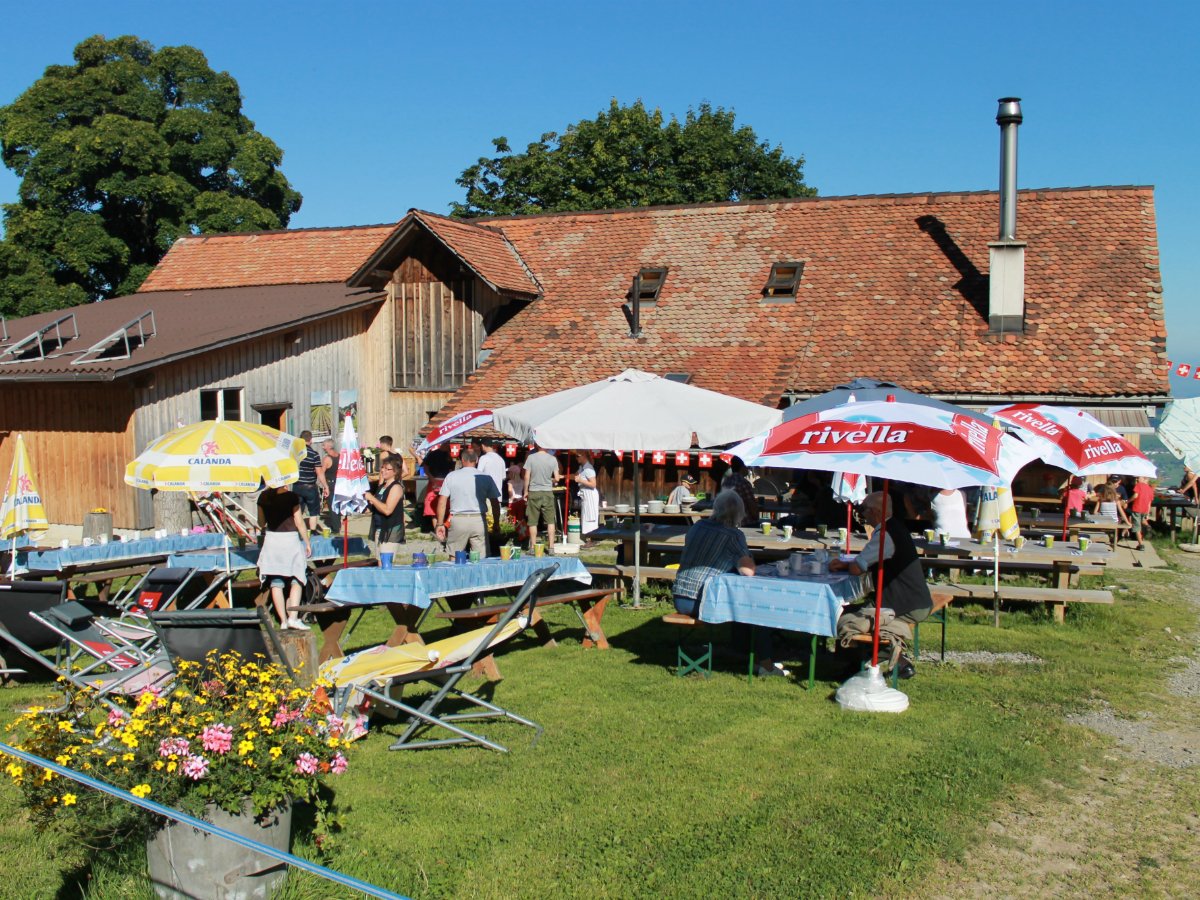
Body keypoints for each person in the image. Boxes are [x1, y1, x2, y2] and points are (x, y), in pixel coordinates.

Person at [672, 490, 787, 677]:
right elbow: (748, 572)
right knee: (758, 607)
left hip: (679, 597)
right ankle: (765, 664)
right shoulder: (734, 535)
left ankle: (746, 652)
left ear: (715, 508)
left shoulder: (697, 526)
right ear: (739, 514)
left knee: (740, 598)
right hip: (701, 601)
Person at [829, 491, 932, 679]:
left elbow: (857, 568)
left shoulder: (885, 535)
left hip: (905, 604)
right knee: (856, 611)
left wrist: (845, 565)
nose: (862, 514)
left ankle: (858, 664)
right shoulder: (895, 528)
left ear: (876, 512)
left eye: (864, 509)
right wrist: (846, 564)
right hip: (916, 599)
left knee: (846, 616)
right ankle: (881, 661)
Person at [256, 484, 311, 631]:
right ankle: (293, 617)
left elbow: (261, 523)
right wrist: (307, 542)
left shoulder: (263, 497)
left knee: (276, 581)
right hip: (290, 540)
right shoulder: (291, 497)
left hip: (272, 540)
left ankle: (283, 621)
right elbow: (299, 522)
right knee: (297, 578)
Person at [435, 448, 500, 555]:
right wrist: (496, 523)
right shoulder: (486, 477)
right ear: (477, 460)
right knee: (480, 558)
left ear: (462, 460)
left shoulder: (451, 476)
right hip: (479, 520)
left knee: (454, 557)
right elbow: (495, 503)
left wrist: (440, 524)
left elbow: (442, 502)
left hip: (458, 520)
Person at [364, 457, 405, 560]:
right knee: (379, 562)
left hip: (390, 530)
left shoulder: (396, 487)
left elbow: (387, 510)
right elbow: (374, 507)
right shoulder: (382, 486)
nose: (383, 470)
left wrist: (372, 498)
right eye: (382, 467)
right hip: (379, 528)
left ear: (395, 471)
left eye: (387, 469)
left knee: (385, 565)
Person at [523, 443, 561, 552]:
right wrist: (550, 480)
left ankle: (532, 547)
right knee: (550, 521)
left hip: (534, 491)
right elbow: (557, 478)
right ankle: (551, 547)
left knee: (533, 521)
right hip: (547, 492)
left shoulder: (531, 457)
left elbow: (526, 476)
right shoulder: (553, 459)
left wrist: (526, 491)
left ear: (536, 445)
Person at [295, 430, 329, 534]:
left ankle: (298, 531)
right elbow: (319, 472)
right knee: (313, 511)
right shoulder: (314, 454)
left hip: (297, 485)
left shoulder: (295, 454)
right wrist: (325, 486)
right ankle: (313, 531)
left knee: (297, 511)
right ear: (311, 440)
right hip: (310, 486)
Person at [720, 457, 759, 527]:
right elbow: (751, 506)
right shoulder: (743, 482)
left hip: (728, 521)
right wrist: (756, 517)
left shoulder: (726, 481)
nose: (748, 468)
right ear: (742, 467)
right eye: (747, 466)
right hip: (745, 522)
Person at [574, 450, 601, 538]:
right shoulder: (582, 467)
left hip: (590, 493)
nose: (576, 458)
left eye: (577, 456)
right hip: (585, 493)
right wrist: (562, 476)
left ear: (583, 456)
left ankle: (592, 538)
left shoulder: (588, 468)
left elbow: (593, 484)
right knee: (586, 516)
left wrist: (581, 480)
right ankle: (588, 537)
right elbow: (575, 476)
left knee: (590, 516)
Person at [477, 437, 507, 508]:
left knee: (486, 518)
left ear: (483, 446)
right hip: (498, 496)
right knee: (495, 518)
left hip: (486, 496)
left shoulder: (483, 458)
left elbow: (478, 476)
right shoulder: (501, 459)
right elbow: (503, 477)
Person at [1130, 475, 1154, 551]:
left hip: (1137, 508)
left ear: (1144, 478)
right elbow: (1149, 503)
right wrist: (1148, 513)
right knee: (1142, 521)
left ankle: (1141, 544)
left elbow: (1135, 496)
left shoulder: (1139, 485)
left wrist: (1128, 501)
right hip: (1145, 509)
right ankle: (1147, 527)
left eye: (1138, 477)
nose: (1137, 478)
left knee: (1136, 527)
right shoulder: (1150, 489)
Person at [321, 438, 338, 510]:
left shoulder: (326, 459)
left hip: (331, 485)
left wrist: (324, 486)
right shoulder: (340, 456)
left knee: (333, 509)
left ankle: (336, 521)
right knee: (338, 507)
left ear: (329, 447)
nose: (322, 447)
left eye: (324, 445)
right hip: (340, 483)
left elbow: (321, 473)